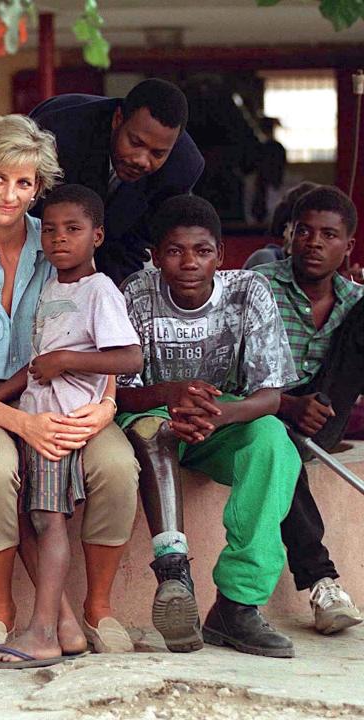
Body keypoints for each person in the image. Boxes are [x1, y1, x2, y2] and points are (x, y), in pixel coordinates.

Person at [0, 115, 141, 662]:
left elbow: (103, 324)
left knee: (116, 466)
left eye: (25, 183)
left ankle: (96, 608)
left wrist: (108, 406)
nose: (11, 194)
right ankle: (3, 612)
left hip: (73, 405)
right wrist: (24, 424)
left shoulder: (63, 237)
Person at [117, 194, 301, 658]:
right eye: (175, 251)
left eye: (202, 251)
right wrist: (170, 396)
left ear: (220, 254)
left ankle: (237, 606)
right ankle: (174, 573)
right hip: (156, 417)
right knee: (147, 431)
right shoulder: (135, 293)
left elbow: (270, 395)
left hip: (225, 417)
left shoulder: (249, 292)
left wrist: (215, 414)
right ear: (156, 256)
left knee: (275, 444)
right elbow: (118, 390)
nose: (189, 262)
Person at [0, 184, 142, 668]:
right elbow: (35, 366)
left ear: (98, 236)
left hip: (61, 425)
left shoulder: (100, 290)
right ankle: (63, 629)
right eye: (49, 230)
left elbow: (130, 356)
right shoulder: (53, 287)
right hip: (36, 416)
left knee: (49, 522)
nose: (58, 239)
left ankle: (43, 632)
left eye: (73, 229)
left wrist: (68, 360)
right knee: (33, 519)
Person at [253, 185, 363, 634]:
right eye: (305, 231)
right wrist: (287, 404)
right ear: (289, 235)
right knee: (279, 449)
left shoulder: (354, 300)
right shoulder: (259, 286)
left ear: (348, 246)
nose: (315, 243)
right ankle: (322, 581)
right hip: (266, 407)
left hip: (325, 410)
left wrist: (314, 406)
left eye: (329, 235)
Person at [29, 78, 204, 286]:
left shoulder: (182, 167)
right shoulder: (58, 133)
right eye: (136, 142)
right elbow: (26, 215)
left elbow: (133, 245)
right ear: (118, 118)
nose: (142, 160)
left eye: (158, 153)